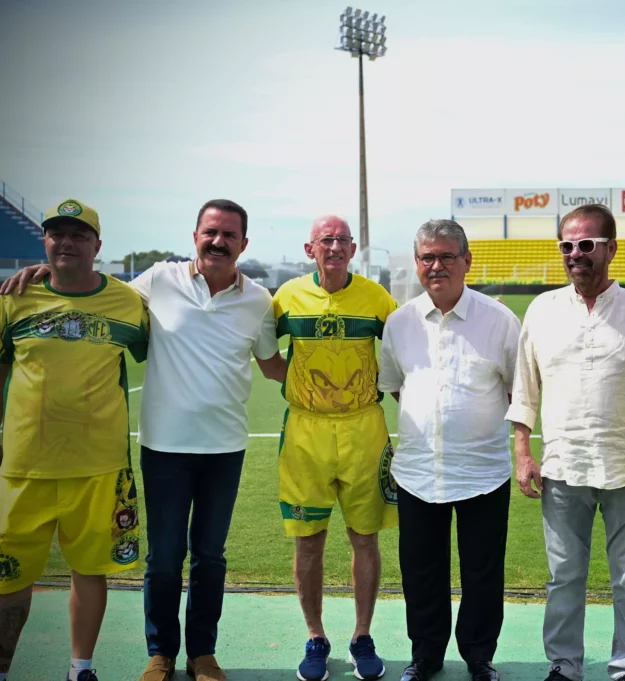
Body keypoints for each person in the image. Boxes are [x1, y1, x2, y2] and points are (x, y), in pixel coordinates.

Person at [0, 198, 281, 681]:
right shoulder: (155, 281)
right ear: (195, 236)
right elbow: (88, 290)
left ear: (244, 243)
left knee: (211, 557)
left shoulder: (258, 300)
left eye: (228, 235)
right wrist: (47, 268)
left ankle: (202, 655)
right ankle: (161, 654)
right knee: (165, 556)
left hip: (226, 448)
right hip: (165, 447)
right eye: (210, 232)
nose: (218, 241)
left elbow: (273, 364)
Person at [508, 204, 625, 681]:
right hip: (562, 469)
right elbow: (525, 389)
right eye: (567, 245)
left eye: (586, 244)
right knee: (563, 578)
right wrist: (523, 452)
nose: (575, 254)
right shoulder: (543, 310)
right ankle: (564, 666)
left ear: (611, 249)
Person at [0, 199, 148, 681]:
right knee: (8, 576)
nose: (66, 242)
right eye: (56, 234)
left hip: (98, 467)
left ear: (97, 246)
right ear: (44, 240)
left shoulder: (128, 303)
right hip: (23, 467)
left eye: (78, 235)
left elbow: (161, 345)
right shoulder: (13, 298)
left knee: (90, 570)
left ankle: (79, 668)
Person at [377, 220, 521, 681]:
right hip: (420, 470)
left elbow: (519, 390)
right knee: (421, 573)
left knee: (482, 574)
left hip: (484, 472)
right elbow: (398, 387)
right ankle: (426, 658)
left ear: (467, 261)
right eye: (426, 258)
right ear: (417, 264)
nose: (436, 266)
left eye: (446, 256)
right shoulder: (399, 323)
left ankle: (479, 657)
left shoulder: (499, 320)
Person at [257, 215, 397, 681]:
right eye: (326, 240)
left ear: (353, 250)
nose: (334, 247)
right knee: (308, 541)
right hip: (305, 432)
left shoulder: (376, 298)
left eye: (342, 241)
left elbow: (401, 354)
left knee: (365, 537)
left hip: (364, 430)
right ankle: (315, 636)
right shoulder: (287, 297)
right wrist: (301, 386)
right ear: (309, 248)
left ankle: (362, 636)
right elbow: (266, 355)